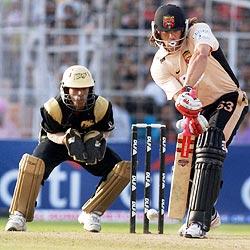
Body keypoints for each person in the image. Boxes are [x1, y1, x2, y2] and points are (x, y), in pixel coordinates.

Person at [149, 4, 249, 238]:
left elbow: (202, 55)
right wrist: (189, 114)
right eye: (166, 32)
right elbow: (178, 98)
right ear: (156, 31)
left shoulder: (198, 31)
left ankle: (198, 222)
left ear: (185, 28)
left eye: (176, 32)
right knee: (193, 161)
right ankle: (209, 212)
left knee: (211, 143)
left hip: (228, 98)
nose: (172, 37)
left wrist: (188, 88)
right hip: (197, 107)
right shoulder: (158, 65)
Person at [4, 65, 131, 232]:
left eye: (84, 90)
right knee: (32, 165)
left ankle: (91, 213)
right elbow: (50, 134)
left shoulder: (102, 106)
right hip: (57, 143)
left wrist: (95, 139)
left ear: (90, 89)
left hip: (87, 143)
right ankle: (18, 215)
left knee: (122, 170)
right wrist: (66, 139)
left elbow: (105, 131)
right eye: (75, 89)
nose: (80, 95)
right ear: (65, 88)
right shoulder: (52, 107)